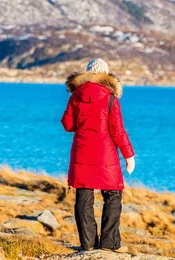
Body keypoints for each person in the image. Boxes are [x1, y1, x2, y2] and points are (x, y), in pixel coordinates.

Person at [61, 58, 135, 253]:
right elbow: (118, 131)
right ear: (106, 75)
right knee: (113, 196)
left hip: (82, 152)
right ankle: (109, 244)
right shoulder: (111, 98)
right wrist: (129, 156)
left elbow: (68, 125)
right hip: (106, 155)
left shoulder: (76, 96)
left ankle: (88, 243)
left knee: (83, 198)